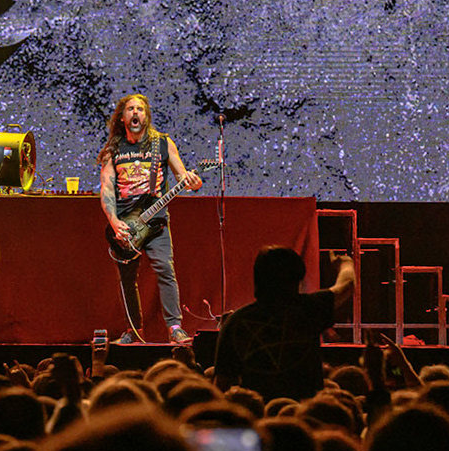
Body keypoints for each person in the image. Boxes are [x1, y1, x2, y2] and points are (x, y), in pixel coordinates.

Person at [98, 93, 203, 344]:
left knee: (165, 269)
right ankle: (133, 331)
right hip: (125, 224)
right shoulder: (113, 150)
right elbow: (106, 190)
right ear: (122, 117)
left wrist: (193, 182)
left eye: (141, 109)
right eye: (131, 109)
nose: (136, 113)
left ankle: (175, 327)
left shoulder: (163, 144)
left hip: (156, 222)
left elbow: (183, 178)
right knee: (127, 279)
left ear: (146, 116)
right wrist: (114, 221)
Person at [210, 245, 357, 402]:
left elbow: (222, 382)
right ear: (297, 279)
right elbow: (347, 285)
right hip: (304, 413)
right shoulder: (309, 309)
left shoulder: (236, 321)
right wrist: (345, 264)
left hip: (259, 414)